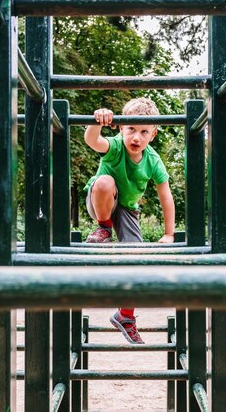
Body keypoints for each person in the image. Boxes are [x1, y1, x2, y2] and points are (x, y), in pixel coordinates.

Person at [83, 97, 175, 344]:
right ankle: (104, 228)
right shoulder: (115, 146)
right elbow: (93, 141)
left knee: (135, 260)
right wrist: (96, 120)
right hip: (102, 201)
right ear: (121, 128)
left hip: (127, 210)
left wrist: (169, 234)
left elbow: (165, 196)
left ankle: (125, 315)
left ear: (153, 135)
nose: (136, 137)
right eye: (131, 129)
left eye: (144, 131)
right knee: (105, 182)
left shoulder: (153, 160)